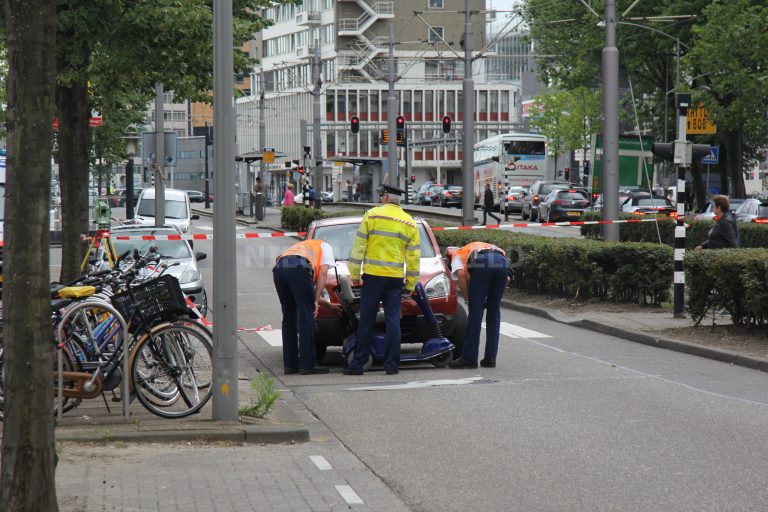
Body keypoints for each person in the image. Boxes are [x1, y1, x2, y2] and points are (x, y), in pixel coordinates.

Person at [344, 184, 421, 376]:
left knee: (367, 320)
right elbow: (413, 258)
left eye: (381, 196)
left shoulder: (372, 215)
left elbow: (359, 246)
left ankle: (358, 365)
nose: (380, 199)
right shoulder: (410, 222)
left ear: (386, 197)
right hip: (394, 279)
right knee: (393, 320)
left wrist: (354, 275)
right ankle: (392, 365)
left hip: (373, 276)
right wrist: (410, 284)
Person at [273, 239, 338, 374]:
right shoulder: (326, 246)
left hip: (279, 269)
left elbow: (305, 294)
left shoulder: (303, 246)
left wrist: (328, 305)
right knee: (306, 316)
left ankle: (290, 365)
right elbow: (323, 273)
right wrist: (314, 302)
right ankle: (308, 364)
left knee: (289, 317)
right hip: (299, 268)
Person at [448, 242, 509, 369]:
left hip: (483, 264)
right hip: (503, 263)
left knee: (475, 313)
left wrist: (468, 300)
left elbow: (460, 275)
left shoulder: (457, 254)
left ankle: (469, 358)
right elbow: (507, 279)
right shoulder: (484, 247)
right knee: (494, 313)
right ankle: (490, 359)